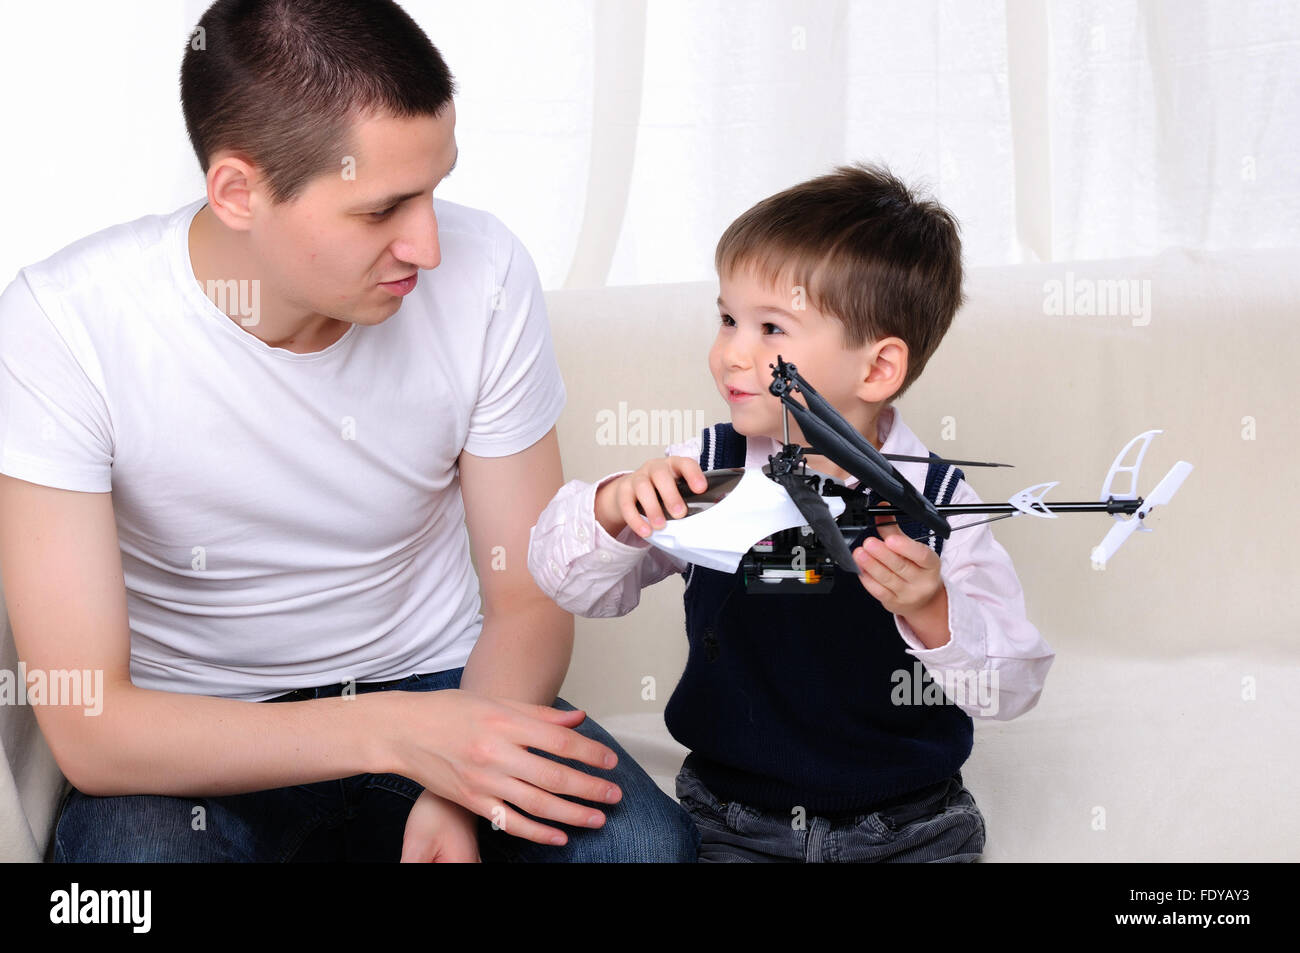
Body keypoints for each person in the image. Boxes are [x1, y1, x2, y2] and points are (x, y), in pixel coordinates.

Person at [0, 0, 697, 863]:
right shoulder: (64, 325)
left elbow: (527, 598)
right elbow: (92, 728)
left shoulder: (486, 274)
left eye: (437, 189)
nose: (429, 246)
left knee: (638, 849)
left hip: (449, 685)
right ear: (238, 193)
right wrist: (404, 735)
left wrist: (449, 781)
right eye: (382, 211)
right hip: (198, 732)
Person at [528, 162, 1057, 862]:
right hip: (733, 818)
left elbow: (1013, 683)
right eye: (726, 318)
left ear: (876, 369)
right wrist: (615, 506)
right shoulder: (705, 466)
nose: (730, 354)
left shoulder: (937, 499)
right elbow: (570, 585)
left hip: (908, 823)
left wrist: (934, 608)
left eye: (770, 327)